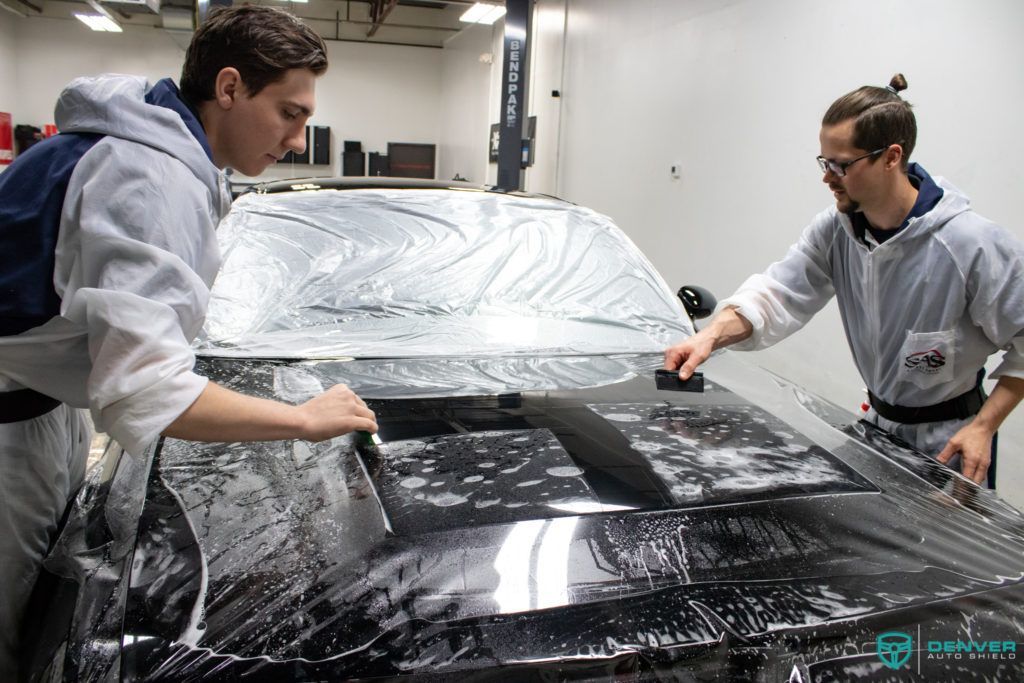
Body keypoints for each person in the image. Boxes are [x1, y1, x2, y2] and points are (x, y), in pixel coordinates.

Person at [0, 6, 377, 678]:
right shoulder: (152, 176)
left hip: (42, 399)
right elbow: (148, 390)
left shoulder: (159, 145)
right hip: (8, 425)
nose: (298, 139)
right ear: (229, 88)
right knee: (17, 627)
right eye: (289, 113)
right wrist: (301, 419)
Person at [664, 73, 1024, 488]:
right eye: (824, 162)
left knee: (947, 553)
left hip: (950, 442)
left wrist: (983, 428)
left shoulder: (968, 243)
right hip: (879, 430)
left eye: (841, 165)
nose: (827, 176)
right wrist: (710, 337)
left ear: (891, 157)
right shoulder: (838, 231)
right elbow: (778, 293)